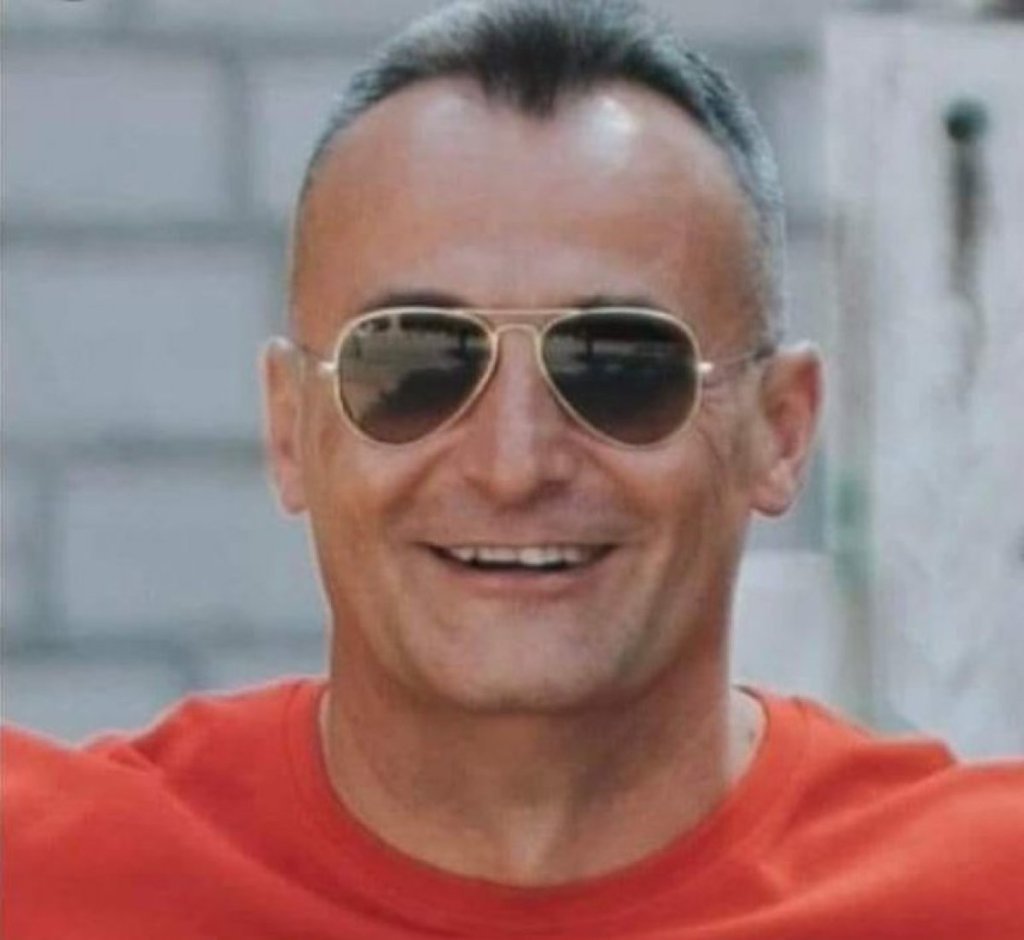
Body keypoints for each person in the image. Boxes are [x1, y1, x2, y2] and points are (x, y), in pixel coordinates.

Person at [4, 1, 1022, 936]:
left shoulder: (983, 893)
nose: (514, 463)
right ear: (291, 427)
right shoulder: (44, 879)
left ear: (780, 430)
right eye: (416, 364)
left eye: (618, 368)